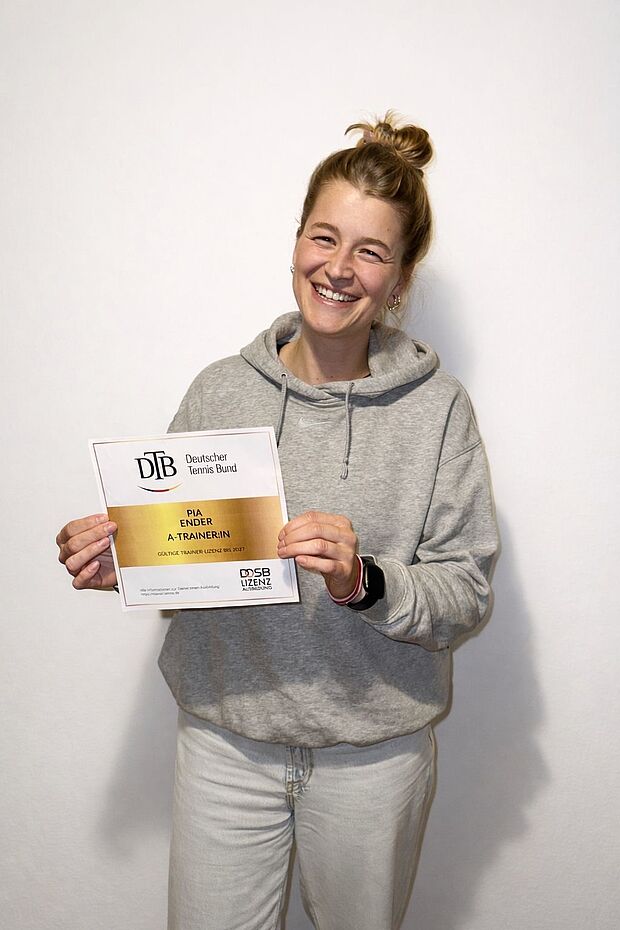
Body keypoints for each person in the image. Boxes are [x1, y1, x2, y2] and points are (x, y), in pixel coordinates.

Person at [56, 112, 498, 930]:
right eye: (324, 238)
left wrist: (365, 582)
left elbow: (465, 592)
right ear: (296, 242)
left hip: (374, 760)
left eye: (371, 252)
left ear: (400, 280)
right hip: (226, 745)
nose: (339, 268)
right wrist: (130, 563)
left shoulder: (439, 411)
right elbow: (186, 555)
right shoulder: (220, 390)